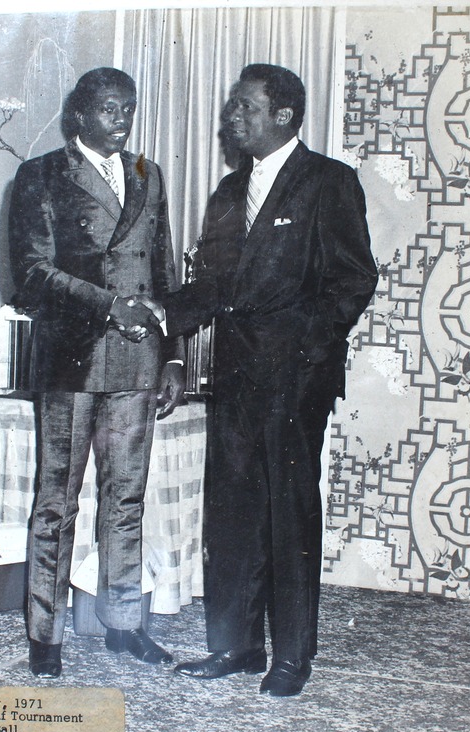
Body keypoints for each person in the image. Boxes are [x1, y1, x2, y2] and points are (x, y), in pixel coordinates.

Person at [140, 64, 378, 696]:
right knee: (232, 512)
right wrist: (169, 322)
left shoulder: (329, 182)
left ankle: (292, 657)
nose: (231, 118)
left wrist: (307, 352)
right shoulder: (227, 193)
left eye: (245, 107)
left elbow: (354, 280)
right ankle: (237, 647)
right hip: (235, 377)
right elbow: (213, 287)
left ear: (284, 117)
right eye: (232, 107)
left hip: (295, 380)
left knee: (288, 516)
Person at [8, 67, 185, 678]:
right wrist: (110, 305)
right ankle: (45, 633)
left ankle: (124, 624)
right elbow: (31, 274)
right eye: (110, 109)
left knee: (126, 498)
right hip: (71, 359)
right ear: (78, 115)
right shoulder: (40, 176)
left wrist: (176, 353)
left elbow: (164, 271)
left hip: (138, 361)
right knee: (56, 501)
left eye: (129, 109)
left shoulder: (146, 173)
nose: (122, 121)